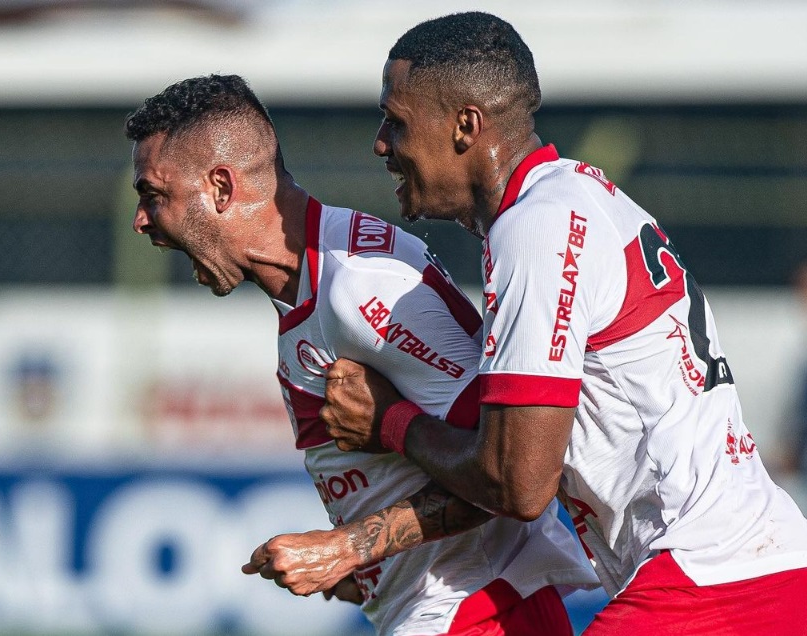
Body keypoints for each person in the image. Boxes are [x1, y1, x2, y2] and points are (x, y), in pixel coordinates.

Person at [318, 11, 807, 635]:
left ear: (465, 126)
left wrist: (388, 420)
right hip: (755, 569)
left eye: (396, 121)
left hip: (710, 585)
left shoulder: (536, 226)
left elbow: (518, 484)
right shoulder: (572, 197)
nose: (381, 144)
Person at [125, 74, 598, 636]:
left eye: (154, 195)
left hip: (478, 610)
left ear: (221, 188)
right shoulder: (311, 288)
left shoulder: (358, 288)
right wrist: (370, 570)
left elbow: (515, 472)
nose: (140, 220)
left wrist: (345, 548)